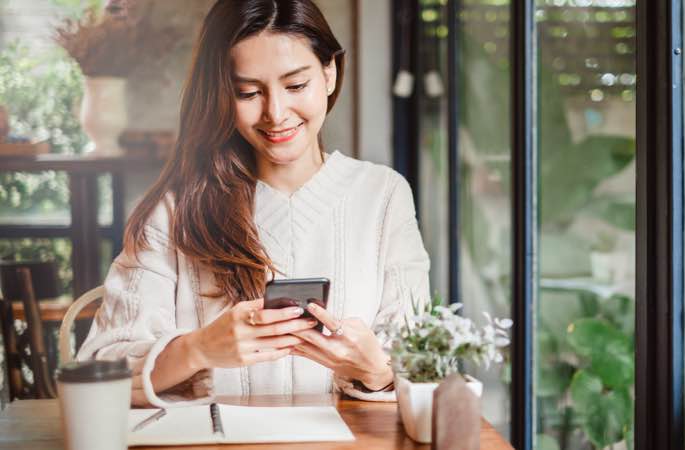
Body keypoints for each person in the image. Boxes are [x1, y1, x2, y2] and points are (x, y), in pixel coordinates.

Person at [77, 0, 431, 407]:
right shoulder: (175, 211)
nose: (276, 113)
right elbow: (97, 374)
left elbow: (423, 367)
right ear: (221, 94)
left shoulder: (383, 196)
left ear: (330, 74)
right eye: (247, 92)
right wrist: (198, 349)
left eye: (296, 85)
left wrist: (376, 371)